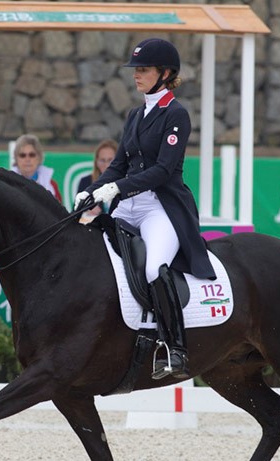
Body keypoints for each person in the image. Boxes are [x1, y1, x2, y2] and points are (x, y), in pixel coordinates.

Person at [75, 38, 216, 381]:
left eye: (144, 70)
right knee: (90, 254)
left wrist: (115, 188)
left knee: (154, 268)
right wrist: (92, 191)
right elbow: (119, 164)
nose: (136, 76)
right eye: (136, 70)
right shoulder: (136, 114)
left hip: (160, 208)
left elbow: (163, 171)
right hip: (128, 206)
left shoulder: (176, 114)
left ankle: (176, 349)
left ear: (165, 74)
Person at [11, 134, 61, 202]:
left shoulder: (52, 185)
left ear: (39, 157)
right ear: (16, 158)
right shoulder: (7, 183)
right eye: (22, 155)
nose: (27, 159)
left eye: (32, 155)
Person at [76, 139, 118, 219]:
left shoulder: (124, 182)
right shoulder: (86, 181)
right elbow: (74, 211)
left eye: (110, 160)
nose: (106, 165)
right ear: (96, 161)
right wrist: (85, 210)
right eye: (102, 160)